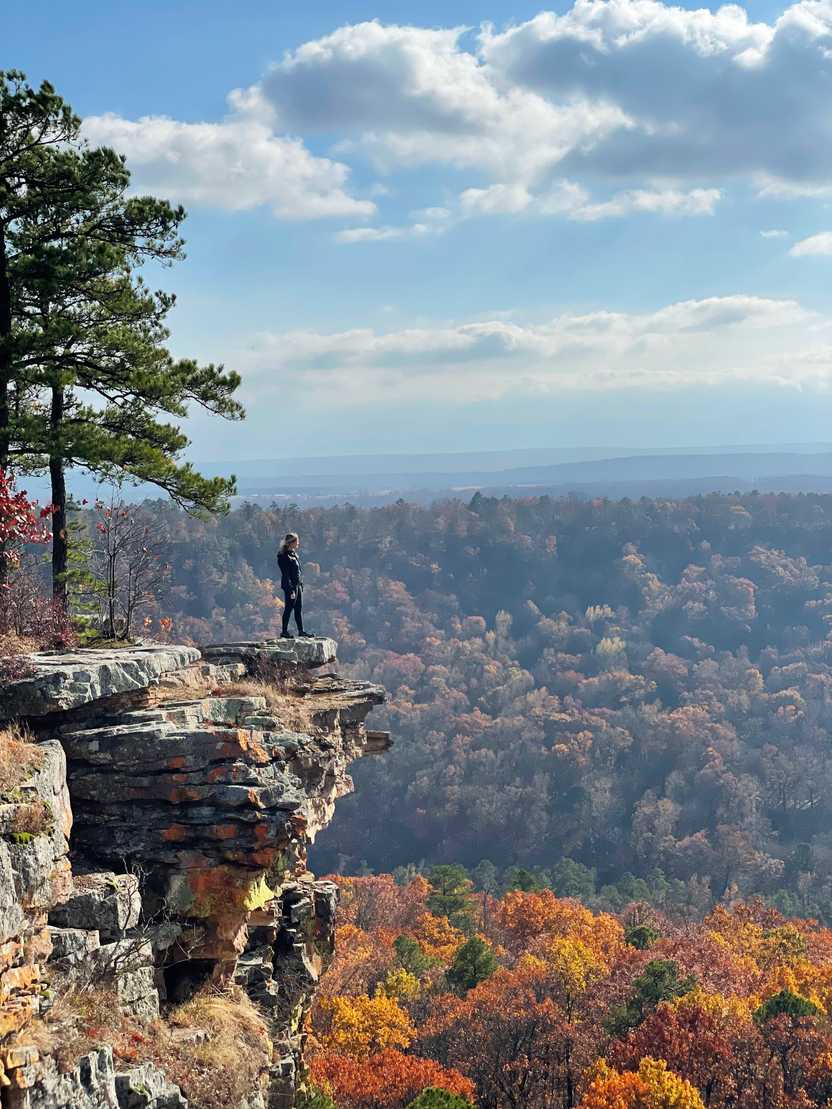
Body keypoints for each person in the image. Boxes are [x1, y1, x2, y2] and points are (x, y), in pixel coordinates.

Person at [277, 532, 311, 639]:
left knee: (298, 609)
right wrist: (290, 590)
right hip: (290, 586)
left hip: (297, 585)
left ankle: (301, 631)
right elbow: (286, 575)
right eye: (297, 541)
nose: (298, 544)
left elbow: (297, 572)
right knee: (289, 608)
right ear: (291, 543)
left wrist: (300, 585)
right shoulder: (284, 556)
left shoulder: (293, 554)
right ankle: (284, 631)